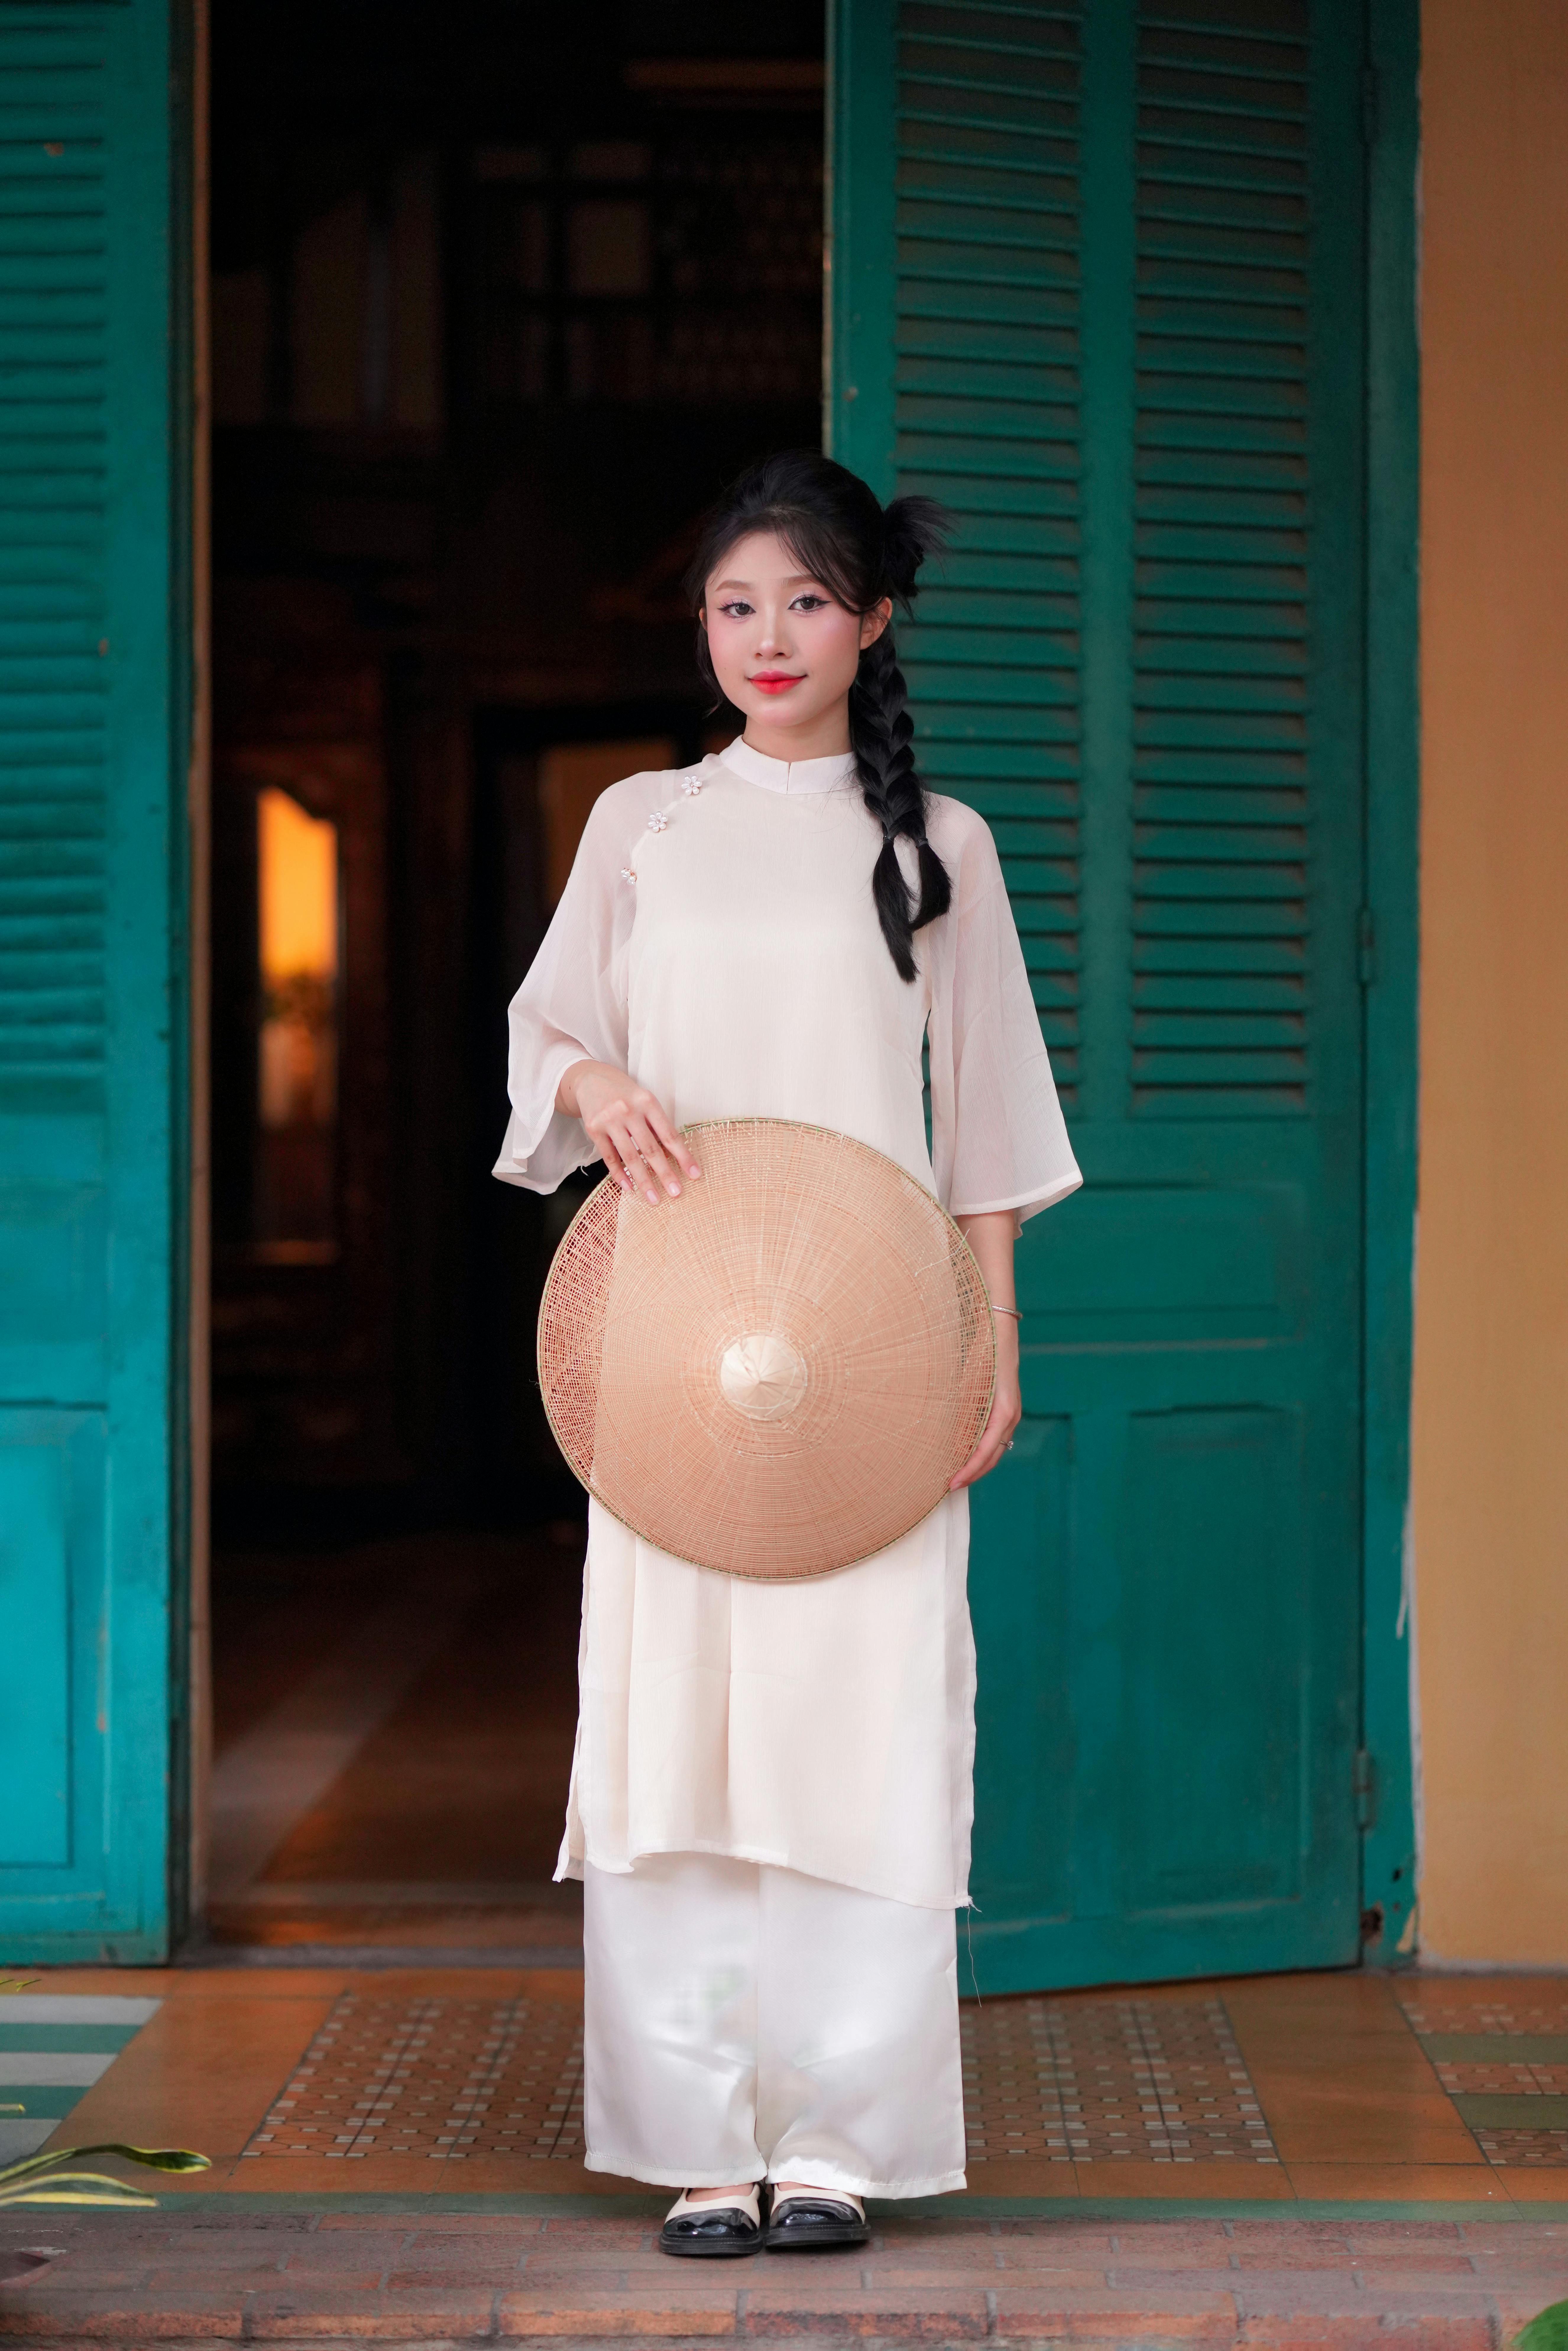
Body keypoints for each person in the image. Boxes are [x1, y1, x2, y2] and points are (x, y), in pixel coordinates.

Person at [494, 451, 1080, 2256]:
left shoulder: (940, 845)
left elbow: (987, 1125)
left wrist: (989, 1341)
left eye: (806, 602)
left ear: (872, 617)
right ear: (701, 627)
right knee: (678, 1730)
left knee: (865, 1725)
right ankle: (697, 2141)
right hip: (673, 1355)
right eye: (735, 604)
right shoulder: (638, 826)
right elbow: (546, 1041)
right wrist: (586, 1074)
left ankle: (837, 2142)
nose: (768, 637)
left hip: (878, 1353)